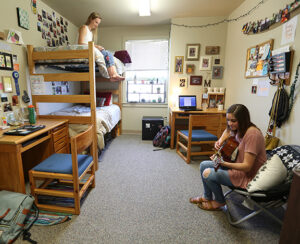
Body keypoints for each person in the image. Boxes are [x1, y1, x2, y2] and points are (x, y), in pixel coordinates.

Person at [189, 104, 266, 211]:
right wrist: (220, 141)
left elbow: (247, 166)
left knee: (207, 173)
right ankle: (207, 196)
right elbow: (227, 131)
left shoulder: (252, 134)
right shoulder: (239, 128)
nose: (230, 123)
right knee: (203, 165)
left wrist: (223, 163)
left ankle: (220, 201)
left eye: (233, 121)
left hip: (248, 175)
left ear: (243, 120)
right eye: (228, 120)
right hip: (236, 166)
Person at [78, 12, 124, 82]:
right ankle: (113, 74)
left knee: (107, 53)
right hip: (83, 51)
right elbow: (80, 43)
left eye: (98, 24)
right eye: (96, 22)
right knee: (106, 53)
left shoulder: (90, 33)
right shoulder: (84, 28)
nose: (97, 25)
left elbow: (88, 44)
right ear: (91, 19)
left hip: (88, 50)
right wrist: (96, 46)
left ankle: (113, 74)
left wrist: (96, 47)